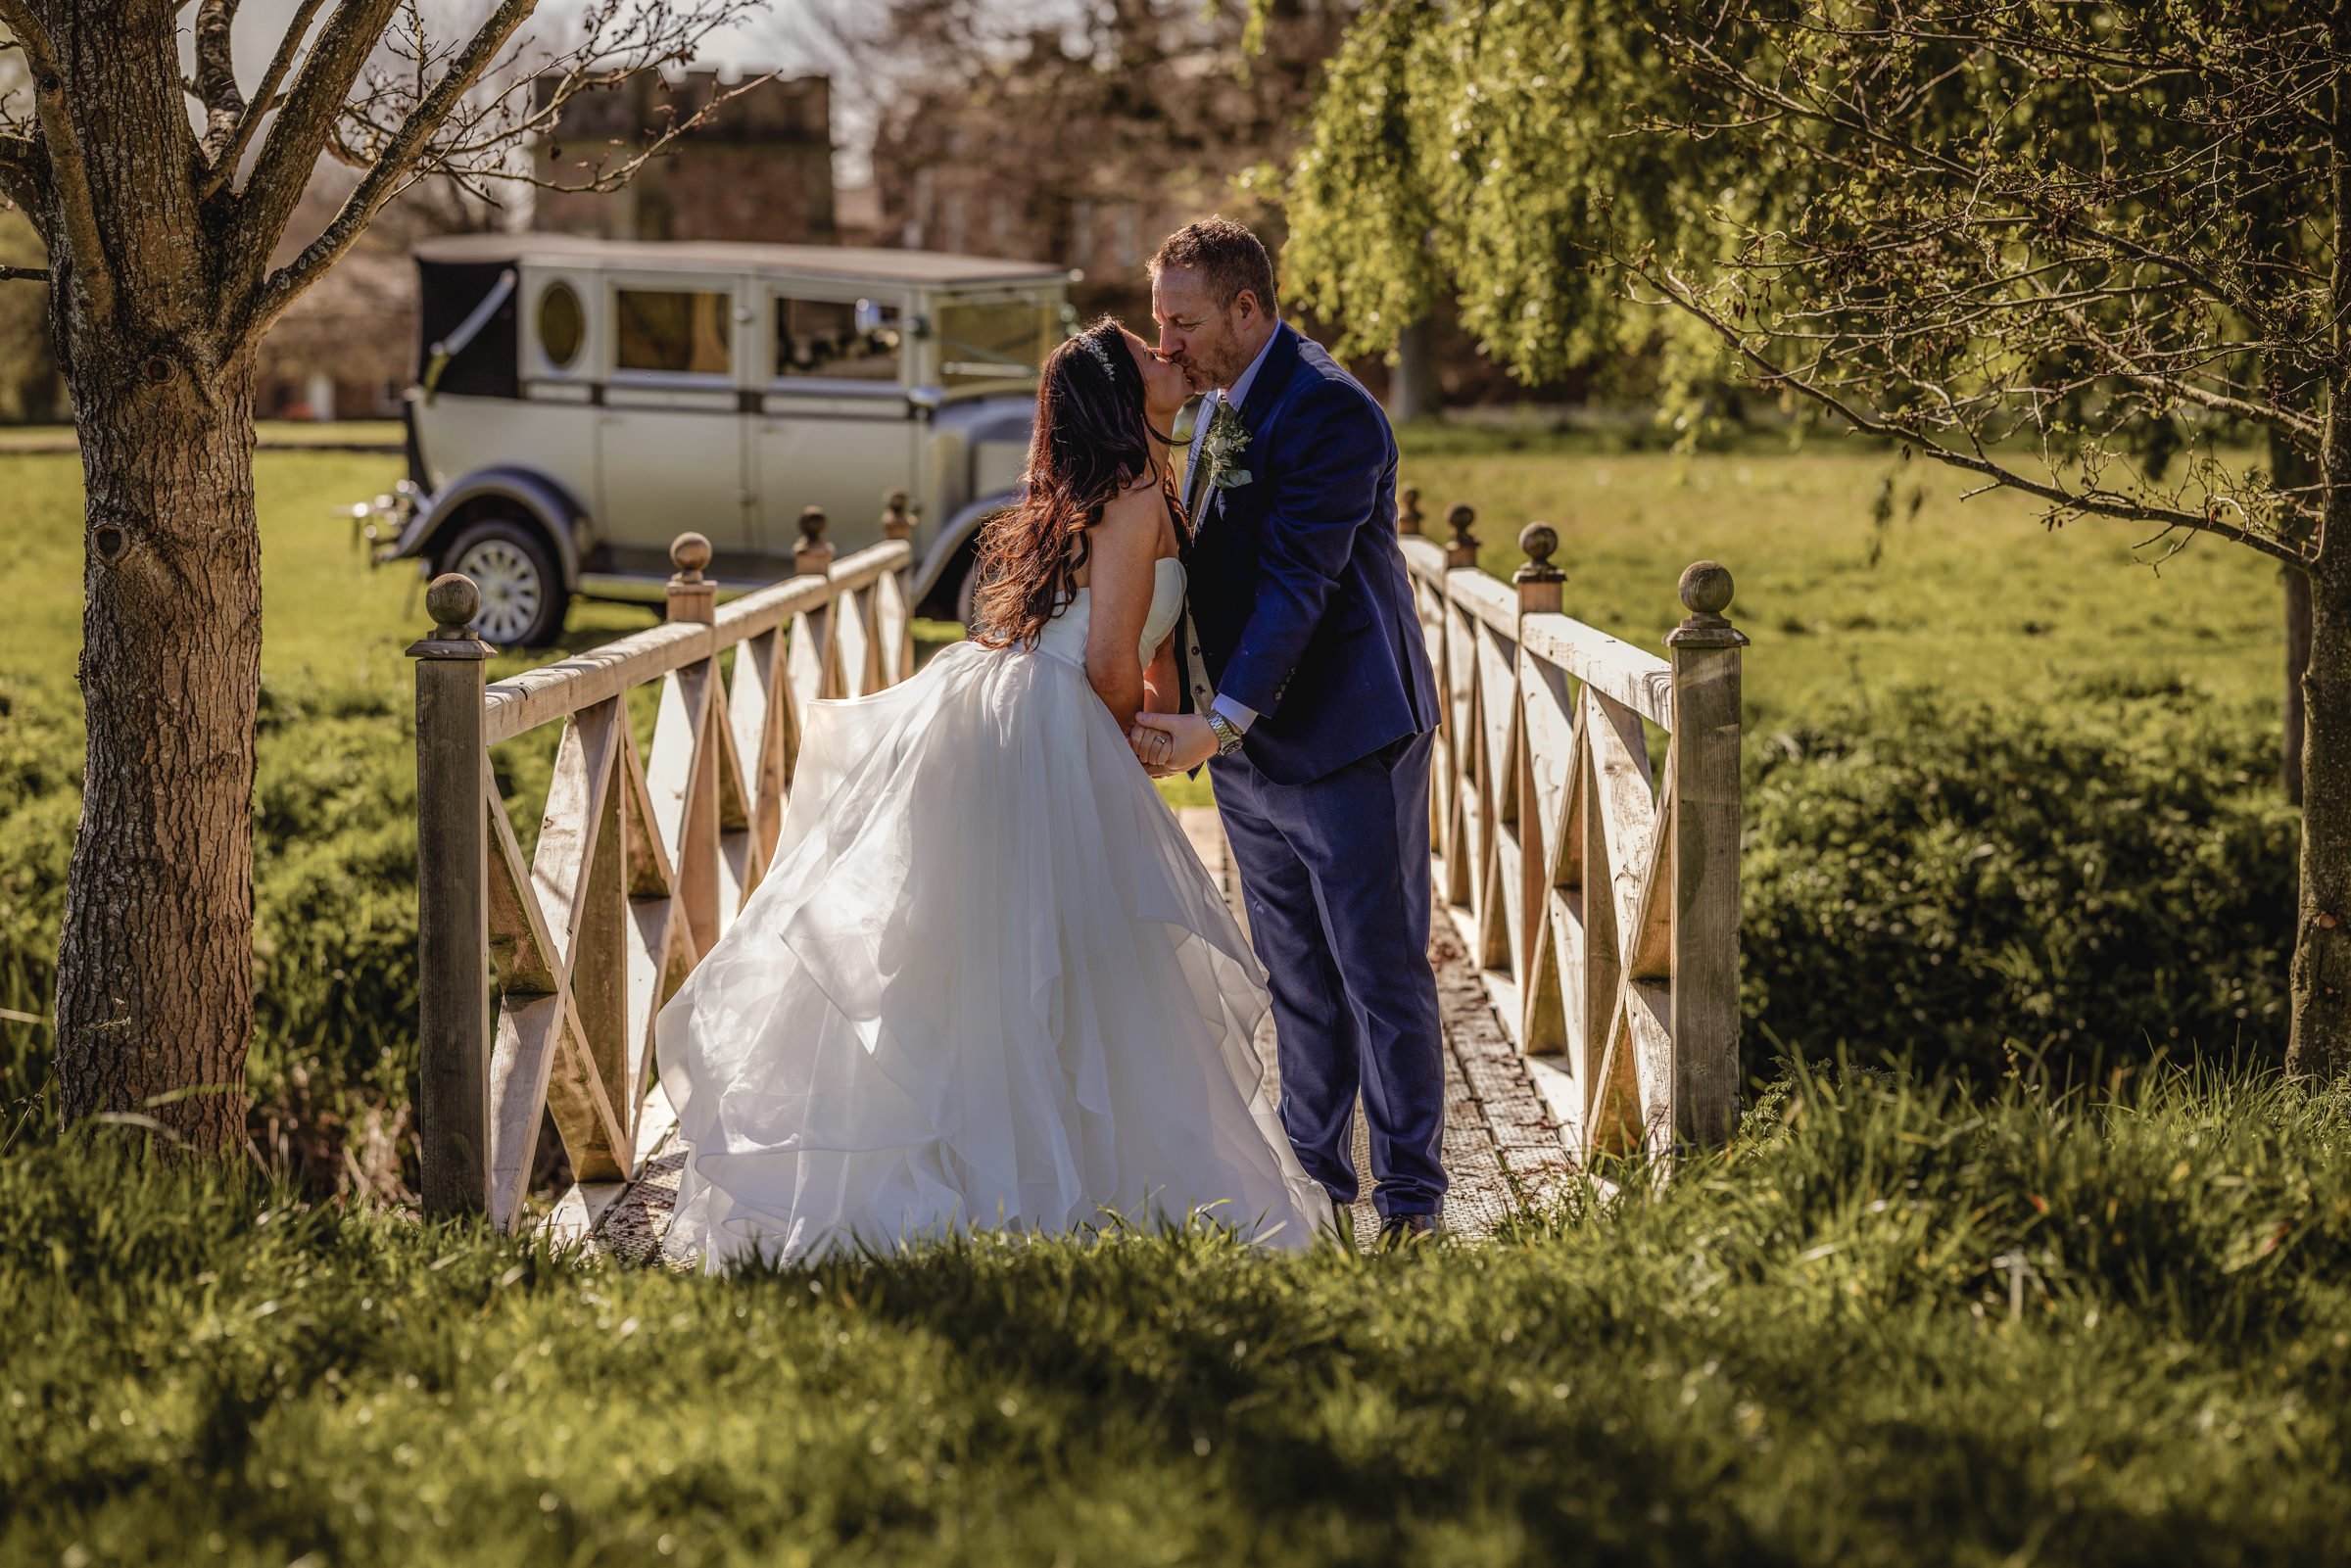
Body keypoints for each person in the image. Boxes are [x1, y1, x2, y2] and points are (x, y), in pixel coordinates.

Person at [653, 317, 1328, 1268]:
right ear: (1120, 396)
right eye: (1149, 354)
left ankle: (1025, 1174)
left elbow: (1145, 643)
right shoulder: (1136, 496)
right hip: (1050, 719)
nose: (1169, 356)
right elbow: (1106, 662)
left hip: (1011, 705)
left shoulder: (1131, 489)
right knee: (1056, 951)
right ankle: (1036, 1186)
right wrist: (1134, 745)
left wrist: (1164, 712)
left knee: (1014, 951)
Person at [1128, 218, 1449, 1247]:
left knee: (1381, 973)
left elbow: (1296, 587)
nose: (1166, 343)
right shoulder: (1221, 401)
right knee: (1297, 978)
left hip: (1348, 736)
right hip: (1252, 745)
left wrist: (1216, 722)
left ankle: (1413, 1202)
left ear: (1248, 308)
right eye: (1157, 322)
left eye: (1182, 322)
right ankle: (1315, 1182)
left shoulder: (1331, 412)